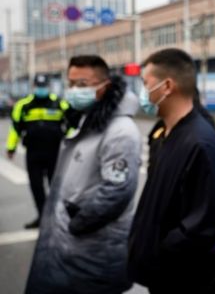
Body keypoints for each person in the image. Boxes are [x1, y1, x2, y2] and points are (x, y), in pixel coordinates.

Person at [26, 55, 141, 293]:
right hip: (73, 248)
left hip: (94, 251)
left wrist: (76, 223)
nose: (74, 90)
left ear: (104, 87)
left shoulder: (120, 131)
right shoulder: (85, 120)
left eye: (82, 85)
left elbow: (117, 191)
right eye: (71, 83)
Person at [128, 48, 215, 293]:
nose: (142, 93)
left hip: (182, 278)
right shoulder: (162, 134)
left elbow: (202, 224)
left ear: (167, 86)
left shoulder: (200, 142)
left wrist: (160, 249)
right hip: (161, 274)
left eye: (145, 84)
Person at [5, 74, 69, 229]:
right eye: (39, 86)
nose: (41, 89)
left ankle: (55, 217)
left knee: (55, 186)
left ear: (48, 86)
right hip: (33, 153)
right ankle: (42, 216)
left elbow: (71, 125)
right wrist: (11, 148)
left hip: (54, 152)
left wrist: (71, 144)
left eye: (44, 86)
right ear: (33, 87)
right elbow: (15, 129)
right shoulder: (23, 105)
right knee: (36, 186)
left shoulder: (59, 104)